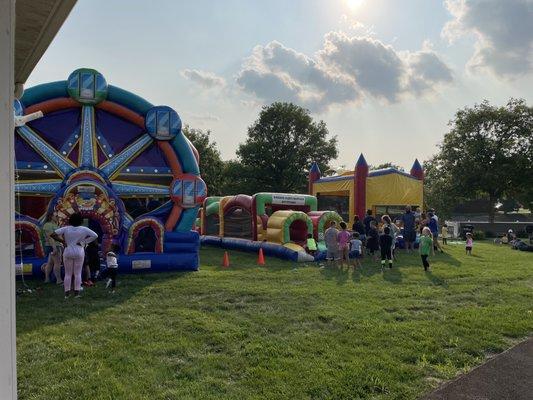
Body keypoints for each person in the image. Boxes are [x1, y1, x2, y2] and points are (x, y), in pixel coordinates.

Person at [50, 213, 98, 298]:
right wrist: (84, 242)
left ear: (70, 220)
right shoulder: (84, 229)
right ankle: (77, 293)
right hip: (79, 251)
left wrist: (63, 241)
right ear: (81, 221)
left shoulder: (66, 228)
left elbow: (53, 234)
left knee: (68, 273)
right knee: (77, 273)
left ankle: (67, 294)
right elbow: (95, 235)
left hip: (68, 251)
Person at [42, 215, 63, 284]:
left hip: (56, 245)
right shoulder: (48, 225)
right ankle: (59, 280)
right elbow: (50, 237)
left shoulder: (55, 224)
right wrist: (54, 248)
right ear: (51, 216)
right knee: (57, 263)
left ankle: (47, 279)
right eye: (56, 216)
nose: (58, 217)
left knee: (50, 262)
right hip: (53, 245)